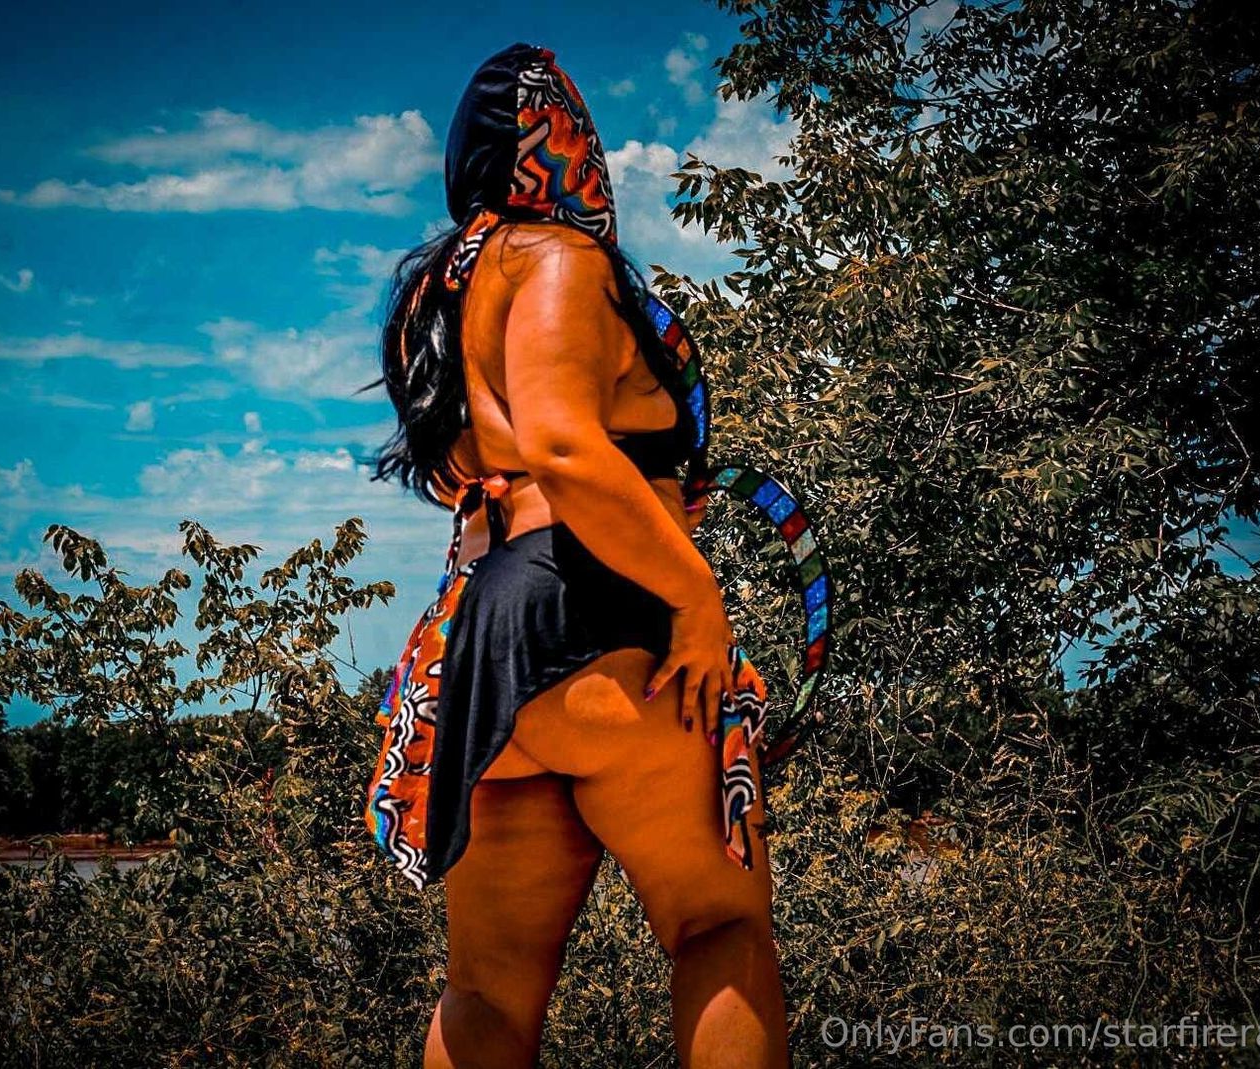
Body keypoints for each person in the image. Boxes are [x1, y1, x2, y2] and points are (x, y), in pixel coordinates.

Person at [363, 42, 791, 1068]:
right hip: (602, 612)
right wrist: (695, 600)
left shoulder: (437, 300)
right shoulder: (556, 258)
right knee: (718, 928)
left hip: (486, 646)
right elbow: (562, 445)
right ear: (548, 145)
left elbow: (478, 474)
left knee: (486, 990)